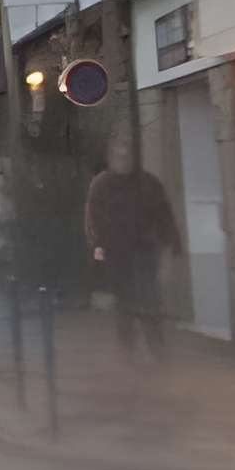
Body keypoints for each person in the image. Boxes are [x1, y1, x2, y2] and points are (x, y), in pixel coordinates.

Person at [83, 140, 179, 358]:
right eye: (118, 155)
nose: (123, 160)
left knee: (148, 298)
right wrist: (98, 245)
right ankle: (128, 348)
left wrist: (170, 241)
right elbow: (93, 217)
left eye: (126, 156)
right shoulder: (102, 185)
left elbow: (163, 213)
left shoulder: (147, 183)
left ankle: (156, 348)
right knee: (124, 300)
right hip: (117, 251)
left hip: (144, 250)